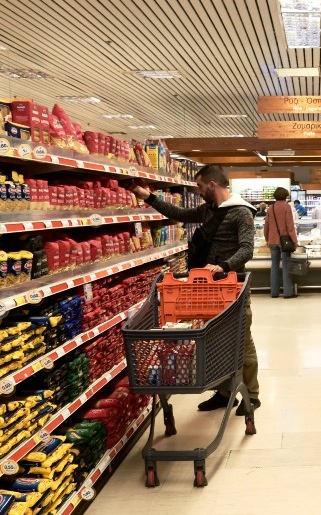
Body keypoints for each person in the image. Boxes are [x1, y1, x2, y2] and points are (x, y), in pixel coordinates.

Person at [128, 165, 261, 415]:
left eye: (199, 186)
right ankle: (224, 393)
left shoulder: (241, 212)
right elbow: (179, 213)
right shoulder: (208, 209)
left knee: (242, 340)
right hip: (206, 289)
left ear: (212, 185)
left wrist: (223, 266)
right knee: (215, 340)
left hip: (232, 287)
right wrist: (148, 196)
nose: (198, 191)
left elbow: (247, 249)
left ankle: (252, 395)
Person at [263, 187, 299, 299]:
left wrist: (267, 239)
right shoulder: (287, 207)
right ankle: (287, 292)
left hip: (272, 240)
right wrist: (295, 241)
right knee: (286, 266)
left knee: (274, 266)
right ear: (286, 196)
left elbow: (266, 226)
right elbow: (290, 227)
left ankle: (274, 292)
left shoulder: (271, 208)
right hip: (285, 242)